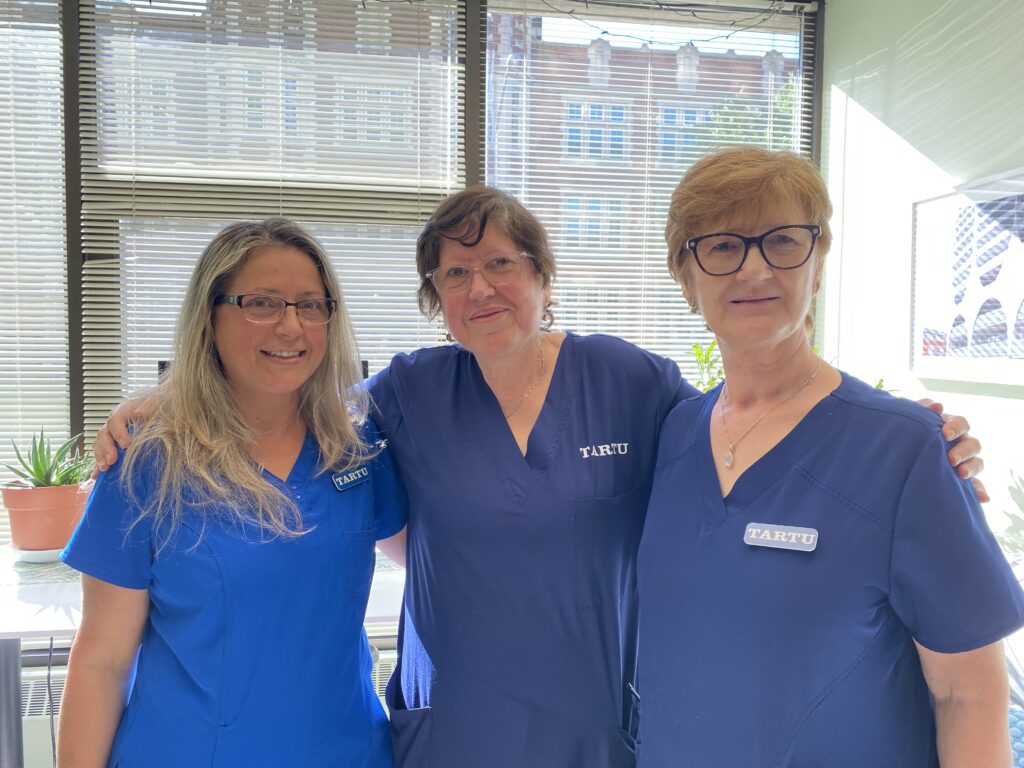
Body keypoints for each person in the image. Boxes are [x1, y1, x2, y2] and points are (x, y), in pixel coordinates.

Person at [93, 191, 985, 767]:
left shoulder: (628, 380)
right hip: (456, 727)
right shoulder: (409, 390)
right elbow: (286, 385)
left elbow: (749, 426)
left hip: (596, 723)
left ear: (543, 278)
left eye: (500, 265)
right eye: (454, 274)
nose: (479, 287)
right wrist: (158, 399)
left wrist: (904, 431)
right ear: (434, 300)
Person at [636, 147, 1024, 766]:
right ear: (687, 279)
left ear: (817, 266)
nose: (755, 269)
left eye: (783, 241)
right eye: (722, 247)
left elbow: (968, 695)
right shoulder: (672, 435)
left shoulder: (903, 448)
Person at [58, 218, 407, 767]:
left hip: (345, 750)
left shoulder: (357, 448)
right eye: (262, 303)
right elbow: (102, 661)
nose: (290, 326)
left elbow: (443, 569)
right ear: (209, 317)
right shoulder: (148, 460)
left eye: (310, 305)